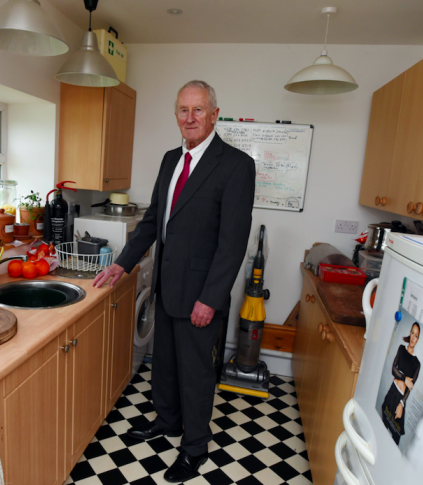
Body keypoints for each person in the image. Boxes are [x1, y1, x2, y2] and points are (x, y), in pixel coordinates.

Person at [92, 80, 255, 482]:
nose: (190, 117)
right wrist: (123, 264)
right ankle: (167, 421)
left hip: (201, 295)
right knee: (162, 364)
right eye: (183, 110)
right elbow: (153, 223)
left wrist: (210, 298)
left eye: (198, 110)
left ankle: (194, 448)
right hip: (166, 288)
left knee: (197, 374)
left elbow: (232, 244)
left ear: (214, 114)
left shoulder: (236, 165)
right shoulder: (170, 160)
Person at [381, 322, 421, 445]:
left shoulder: (417, 364)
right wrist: (404, 378)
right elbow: (393, 370)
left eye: (416, 335)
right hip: (392, 392)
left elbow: (409, 388)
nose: (413, 337)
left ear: (418, 339)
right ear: (410, 333)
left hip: (400, 400)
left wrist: (402, 404)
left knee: (395, 439)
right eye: (412, 333)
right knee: (382, 429)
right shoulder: (401, 349)